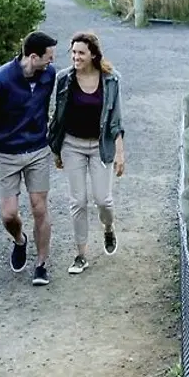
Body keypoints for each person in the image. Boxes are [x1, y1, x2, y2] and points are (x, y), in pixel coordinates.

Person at [0, 30, 59, 286]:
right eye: (49, 58)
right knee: (9, 215)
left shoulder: (49, 75)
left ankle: (41, 265)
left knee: (39, 207)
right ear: (33, 56)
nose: (52, 63)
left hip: (37, 150)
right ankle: (20, 241)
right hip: (6, 153)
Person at [48, 30, 127, 275]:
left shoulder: (111, 80)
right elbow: (57, 116)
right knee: (78, 201)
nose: (76, 57)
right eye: (73, 52)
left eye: (81, 53)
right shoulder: (64, 79)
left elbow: (116, 121)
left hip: (100, 146)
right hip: (72, 145)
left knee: (103, 200)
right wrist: (57, 150)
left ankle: (108, 227)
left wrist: (120, 153)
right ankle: (80, 255)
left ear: (93, 54)